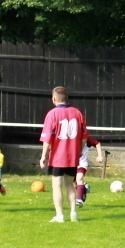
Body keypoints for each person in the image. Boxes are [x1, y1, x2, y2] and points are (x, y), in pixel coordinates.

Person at [38, 86, 88, 223]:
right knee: (69, 185)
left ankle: (59, 216)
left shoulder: (52, 114)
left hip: (58, 158)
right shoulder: (77, 113)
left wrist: (43, 156)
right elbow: (84, 138)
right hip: (72, 157)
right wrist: (79, 151)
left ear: (54, 99)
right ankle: (73, 214)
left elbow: (47, 138)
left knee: (56, 186)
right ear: (67, 98)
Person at [75, 135, 103, 207]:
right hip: (72, 164)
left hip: (82, 164)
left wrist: (99, 156)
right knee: (74, 183)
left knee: (79, 178)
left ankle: (79, 200)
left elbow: (97, 143)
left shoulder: (86, 139)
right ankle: (84, 189)